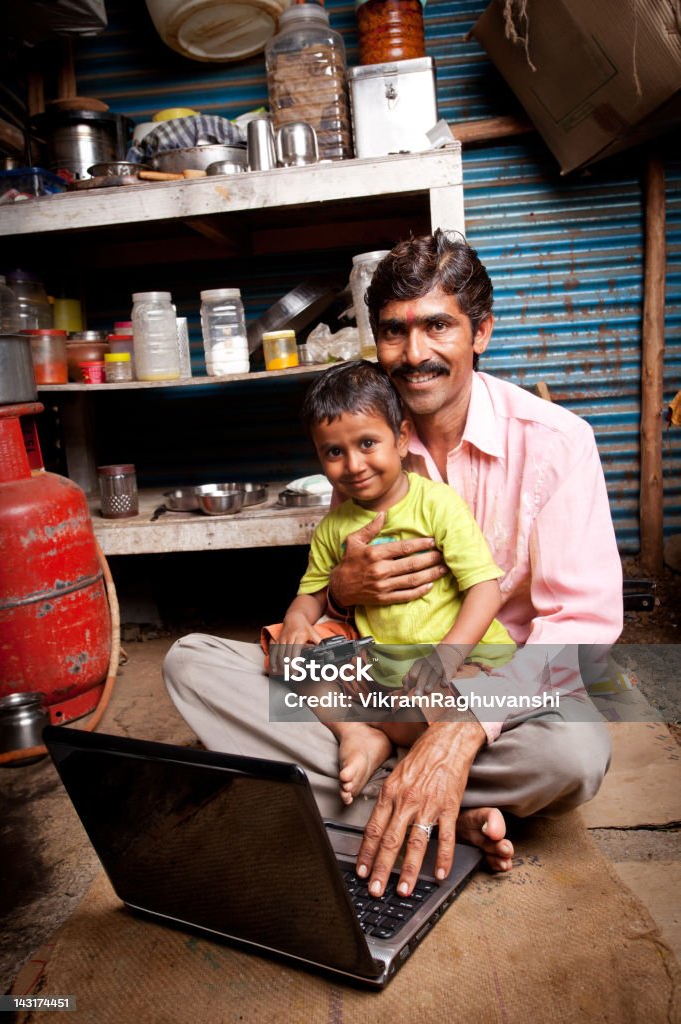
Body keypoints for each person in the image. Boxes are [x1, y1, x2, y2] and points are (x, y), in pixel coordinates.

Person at [164, 230, 622, 900]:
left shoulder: (558, 445)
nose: (414, 355)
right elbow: (324, 589)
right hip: (378, 677)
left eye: (438, 326)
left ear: (481, 332)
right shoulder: (364, 439)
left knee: (576, 754)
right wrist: (341, 596)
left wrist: (462, 729)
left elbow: (579, 631)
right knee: (193, 665)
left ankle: (370, 789)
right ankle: (430, 805)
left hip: (497, 682)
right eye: (393, 332)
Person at [275, 359, 516, 806]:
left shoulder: (438, 505)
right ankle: (359, 733)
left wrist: (447, 656)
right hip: (384, 674)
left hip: (463, 665)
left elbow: (486, 589)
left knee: (453, 705)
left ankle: (394, 751)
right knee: (286, 657)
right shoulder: (334, 527)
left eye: (368, 443)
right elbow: (311, 594)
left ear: (402, 439)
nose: (353, 465)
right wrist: (295, 622)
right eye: (333, 452)